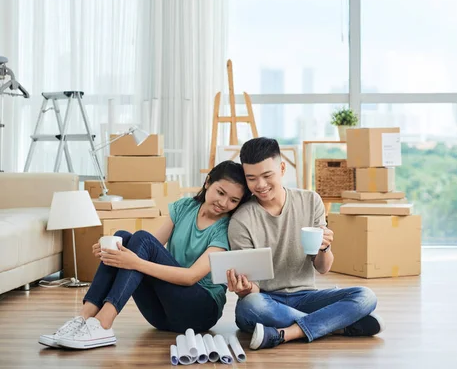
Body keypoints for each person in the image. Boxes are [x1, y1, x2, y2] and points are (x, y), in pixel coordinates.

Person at [39, 160, 251, 350]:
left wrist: (135, 262)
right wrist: (112, 254)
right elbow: (149, 245)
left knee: (137, 241)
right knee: (123, 237)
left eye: (233, 200)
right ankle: (83, 319)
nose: (224, 203)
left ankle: (103, 324)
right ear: (207, 183)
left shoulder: (225, 228)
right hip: (162, 316)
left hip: (199, 311)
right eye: (220, 192)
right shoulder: (185, 207)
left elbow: (191, 277)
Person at [227, 137, 384, 350]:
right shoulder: (241, 220)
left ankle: (285, 333)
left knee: (366, 296)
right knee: (250, 306)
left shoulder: (311, 201)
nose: (260, 185)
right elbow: (252, 291)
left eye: (267, 175)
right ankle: (335, 325)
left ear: (282, 169)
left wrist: (325, 247)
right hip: (265, 299)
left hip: (307, 296)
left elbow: (322, 268)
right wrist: (244, 289)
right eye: (251, 178)